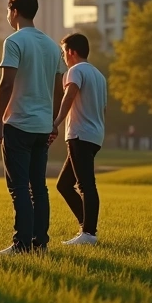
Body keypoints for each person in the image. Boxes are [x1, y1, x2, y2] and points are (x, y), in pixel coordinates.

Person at [0, 0, 67, 255]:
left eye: (8, 12)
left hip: (19, 124)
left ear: (14, 11)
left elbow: (7, 83)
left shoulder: (14, 42)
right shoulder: (53, 46)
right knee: (39, 186)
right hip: (43, 126)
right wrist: (55, 121)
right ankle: (40, 242)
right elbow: (59, 89)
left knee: (19, 186)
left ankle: (21, 244)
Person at [51, 33, 107, 246]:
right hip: (94, 136)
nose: (64, 57)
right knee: (64, 185)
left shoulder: (75, 71)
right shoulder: (99, 75)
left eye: (64, 52)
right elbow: (103, 108)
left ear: (71, 52)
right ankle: (86, 227)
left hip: (79, 134)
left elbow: (69, 97)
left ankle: (89, 234)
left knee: (85, 185)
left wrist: (55, 123)